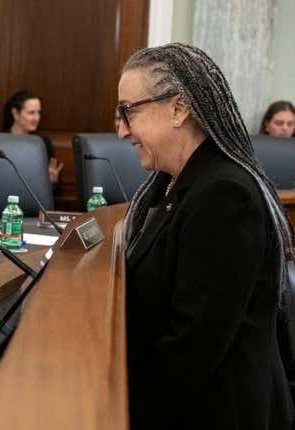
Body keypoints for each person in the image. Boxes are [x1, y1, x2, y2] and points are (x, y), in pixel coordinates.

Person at [118, 43, 293, 429]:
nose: (121, 130)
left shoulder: (224, 195)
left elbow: (192, 348)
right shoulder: (175, 183)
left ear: (178, 109)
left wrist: (118, 410)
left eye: (129, 111)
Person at [2, 90, 64, 187]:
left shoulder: (43, 144)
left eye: (38, 112)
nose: (37, 118)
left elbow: (56, 190)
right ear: (15, 113)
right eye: (31, 113)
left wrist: (52, 181)